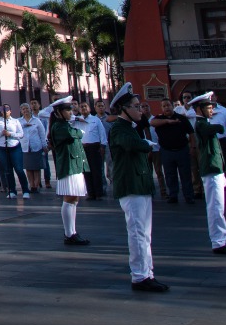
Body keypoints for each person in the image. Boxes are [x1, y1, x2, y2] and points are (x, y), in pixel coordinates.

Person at [108, 83, 167, 293]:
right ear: (124, 109)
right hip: (130, 186)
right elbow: (130, 145)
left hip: (140, 185)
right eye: (135, 106)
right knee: (137, 232)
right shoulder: (119, 129)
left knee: (145, 233)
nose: (140, 110)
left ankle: (147, 272)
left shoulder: (130, 128)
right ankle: (140, 276)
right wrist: (146, 144)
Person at [188, 92, 226, 255]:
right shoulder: (201, 124)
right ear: (199, 109)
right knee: (215, 207)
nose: (212, 110)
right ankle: (219, 241)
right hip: (210, 168)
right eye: (208, 108)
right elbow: (215, 128)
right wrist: (220, 126)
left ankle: (222, 239)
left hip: (215, 168)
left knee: (218, 207)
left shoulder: (205, 122)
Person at [47, 96, 91, 247]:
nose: (70, 112)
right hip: (68, 166)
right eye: (67, 110)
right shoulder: (59, 127)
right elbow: (75, 134)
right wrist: (79, 131)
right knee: (69, 199)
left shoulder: (65, 125)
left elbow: (76, 133)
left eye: (70, 109)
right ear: (58, 112)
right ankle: (69, 233)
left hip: (75, 165)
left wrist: (78, 131)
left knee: (74, 200)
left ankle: (73, 232)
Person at [152, 100, 194, 204]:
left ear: (172, 106)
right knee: (170, 175)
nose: (167, 107)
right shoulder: (159, 119)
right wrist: (167, 121)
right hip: (167, 151)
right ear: (161, 108)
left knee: (186, 174)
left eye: (168, 105)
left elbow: (191, 133)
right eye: (164, 106)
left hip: (182, 150)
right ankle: (173, 195)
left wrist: (193, 147)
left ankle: (188, 196)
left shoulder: (181, 118)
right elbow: (152, 123)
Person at [0, 104, 27, 199]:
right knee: (7, 170)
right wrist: (0, 133)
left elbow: (21, 134)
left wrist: (10, 134)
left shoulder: (15, 121)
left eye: (7, 110)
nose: (5, 111)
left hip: (14, 146)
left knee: (19, 169)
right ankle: (12, 190)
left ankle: (25, 190)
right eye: (3, 110)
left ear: (10, 111)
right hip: (2, 147)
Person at [73, 101, 106, 200]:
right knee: (86, 171)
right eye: (81, 107)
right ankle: (90, 193)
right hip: (82, 148)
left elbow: (102, 133)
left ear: (89, 108)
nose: (83, 108)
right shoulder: (76, 120)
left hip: (94, 147)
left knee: (96, 171)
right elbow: (68, 122)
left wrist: (103, 146)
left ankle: (99, 193)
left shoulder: (95, 120)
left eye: (85, 106)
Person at [19, 101, 47, 193]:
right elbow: (16, 131)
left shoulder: (36, 120)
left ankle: (36, 185)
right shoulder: (19, 121)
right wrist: (24, 125)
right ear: (21, 111)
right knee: (28, 168)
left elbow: (42, 134)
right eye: (23, 109)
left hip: (36, 146)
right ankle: (31, 185)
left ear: (30, 109)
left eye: (27, 108)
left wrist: (44, 145)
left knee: (36, 168)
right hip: (25, 147)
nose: (25, 110)